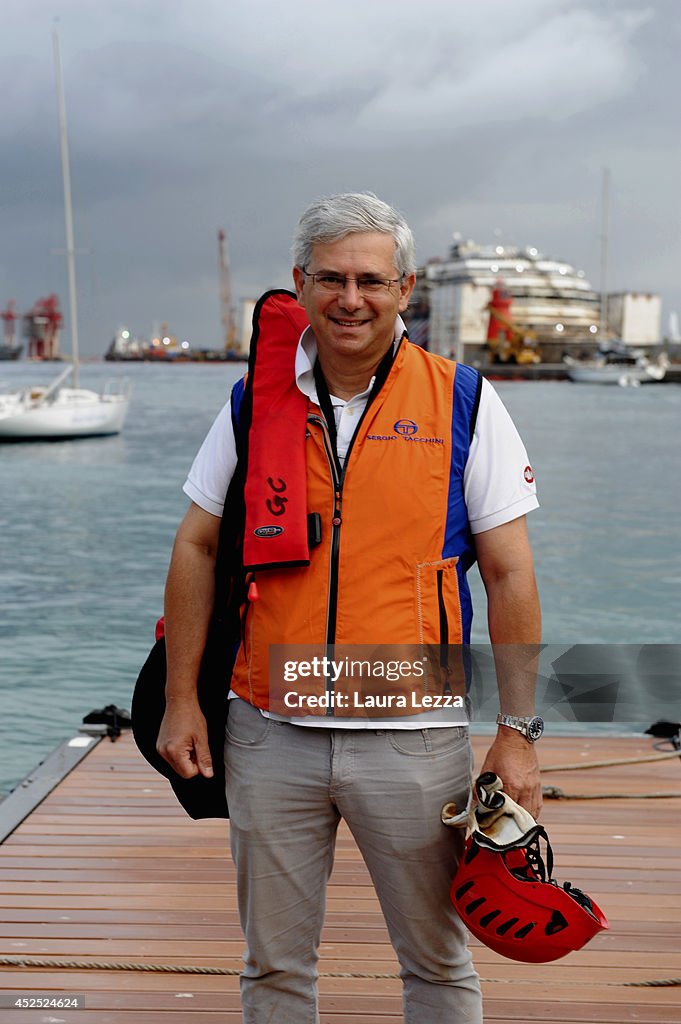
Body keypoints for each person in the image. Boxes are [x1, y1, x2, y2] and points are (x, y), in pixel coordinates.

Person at [157, 192, 542, 1024]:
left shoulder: (463, 401)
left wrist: (516, 735)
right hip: (269, 729)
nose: (350, 298)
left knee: (438, 967)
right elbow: (194, 545)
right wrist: (183, 698)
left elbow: (508, 575)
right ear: (299, 284)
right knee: (273, 970)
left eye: (371, 279)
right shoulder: (253, 404)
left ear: (405, 289)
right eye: (329, 278)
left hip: (414, 735)